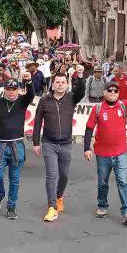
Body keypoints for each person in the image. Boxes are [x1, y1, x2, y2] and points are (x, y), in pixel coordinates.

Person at [83, 81, 127, 225]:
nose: (113, 93)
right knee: (103, 182)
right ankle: (102, 205)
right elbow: (89, 128)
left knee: (123, 181)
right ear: (104, 92)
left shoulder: (124, 105)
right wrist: (86, 148)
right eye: (110, 90)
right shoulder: (98, 109)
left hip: (120, 153)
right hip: (103, 154)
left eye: (115, 91)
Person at [32, 72, 85, 222]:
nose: (60, 84)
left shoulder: (71, 98)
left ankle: (59, 196)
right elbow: (37, 122)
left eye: (63, 82)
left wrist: (80, 77)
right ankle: (52, 207)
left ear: (67, 85)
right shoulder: (44, 100)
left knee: (64, 175)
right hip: (49, 143)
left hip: (66, 143)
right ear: (53, 84)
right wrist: (36, 143)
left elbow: (81, 91)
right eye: (58, 82)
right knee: (51, 175)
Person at [0, 74, 34, 220]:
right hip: (0, 144)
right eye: (8, 89)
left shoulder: (22, 101)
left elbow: (31, 94)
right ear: (4, 89)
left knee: (14, 179)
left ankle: (11, 206)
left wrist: (28, 81)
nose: (11, 91)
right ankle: (0, 196)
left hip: (16, 144)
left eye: (14, 89)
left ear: (18, 90)